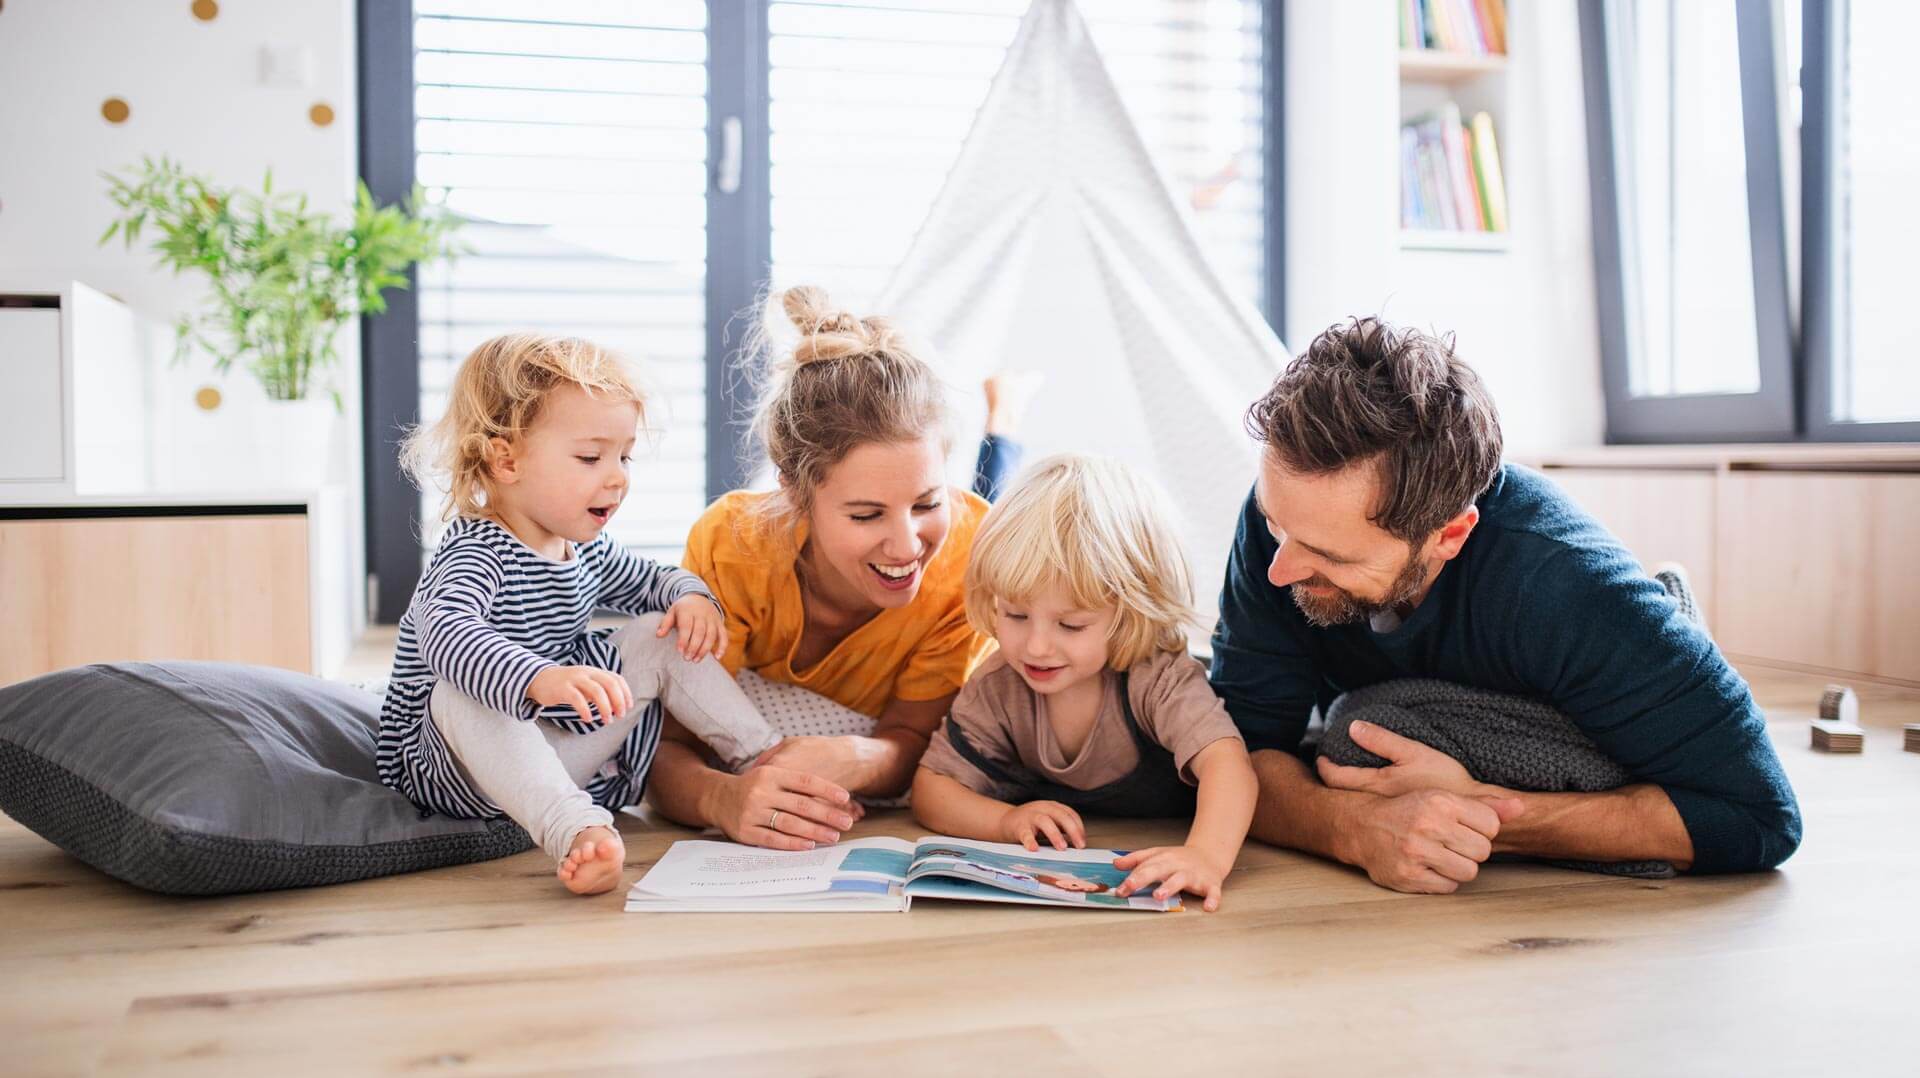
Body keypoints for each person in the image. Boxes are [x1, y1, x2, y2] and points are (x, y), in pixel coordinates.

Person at [1210, 317, 1802, 894]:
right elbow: (1235, 753)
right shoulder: (1289, 522)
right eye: (1273, 522)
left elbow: (1759, 818)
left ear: (1449, 534)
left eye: (1328, 555)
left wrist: (1485, 816)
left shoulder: (1567, 587)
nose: (1278, 569)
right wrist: (1350, 829)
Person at [376, 333, 781, 895]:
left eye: (624, 456)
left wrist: (692, 597)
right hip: (457, 769)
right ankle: (577, 828)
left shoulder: (583, 548)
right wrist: (537, 678)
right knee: (456, 689)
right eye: (591, 457)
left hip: (552, 751)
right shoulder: (475, 552)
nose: (617, 477)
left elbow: (654, 580)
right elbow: (444, 635)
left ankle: (764, 756)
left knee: (655, 632)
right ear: (506, 459)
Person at [646, 286, 1032, 849]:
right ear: (797, 496)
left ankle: (1008, 413)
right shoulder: (733, 545)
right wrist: (719, 798)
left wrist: (858, 756)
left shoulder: (967, 557)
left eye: (927, 503)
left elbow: (915, 740)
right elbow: (665, 746)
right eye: (866, 514)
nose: (905, 548)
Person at [911, 454, 1258, 912]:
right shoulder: (999, 683)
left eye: (1070, 625)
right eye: (1015, 614)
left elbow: (1230, 766)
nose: (1035, 647)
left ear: (1129, 615)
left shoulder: (1156, 675)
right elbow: (932, 788)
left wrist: (1205, 856)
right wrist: (1005, 821)